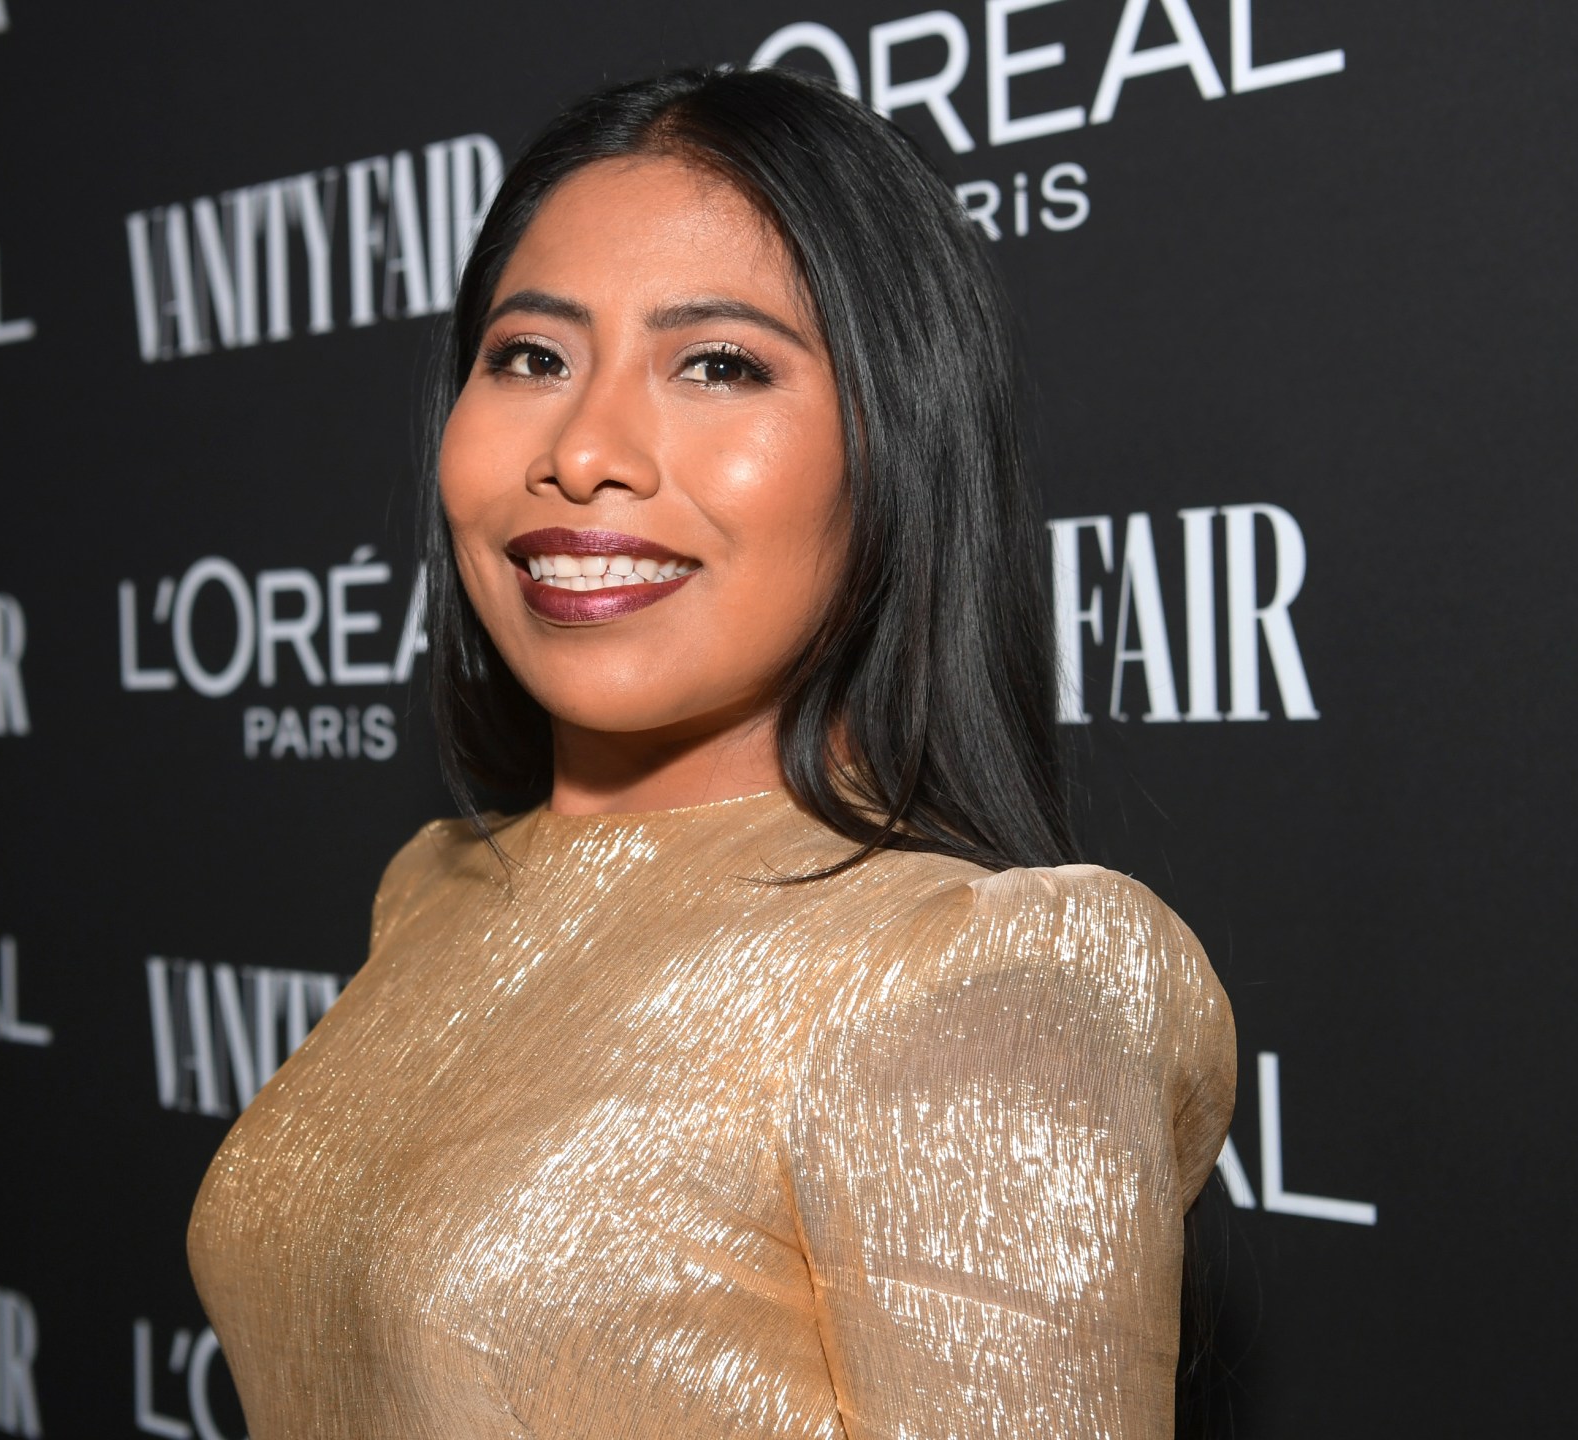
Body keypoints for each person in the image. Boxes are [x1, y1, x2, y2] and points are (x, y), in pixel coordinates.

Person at [188, 65, 1235, 1438]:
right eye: (532, 357)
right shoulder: (438, 890)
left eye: (719, 365)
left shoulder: (983, 974)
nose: (585, 450)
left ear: (893, 443)